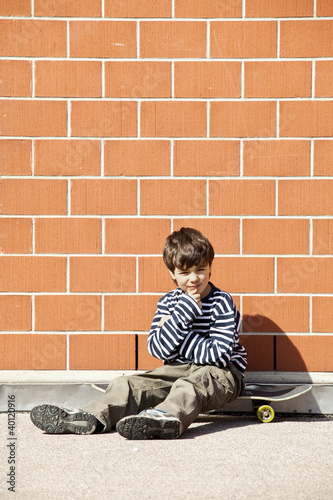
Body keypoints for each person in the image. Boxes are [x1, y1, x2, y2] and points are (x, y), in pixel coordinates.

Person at [30, 227, 247, 439]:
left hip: (221, 374)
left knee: (191, 385)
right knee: (127, 385)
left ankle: (165, 419)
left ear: (210, 267)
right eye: (184, 272)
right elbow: (157, 348)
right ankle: (91, 417)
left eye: (200, 270)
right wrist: (182, 315)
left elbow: (218, 355)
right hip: (176, 370)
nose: (193, 279)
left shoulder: (222, 301)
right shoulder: (169, 302)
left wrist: (176, 331)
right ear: (172, 273)